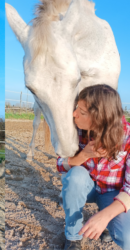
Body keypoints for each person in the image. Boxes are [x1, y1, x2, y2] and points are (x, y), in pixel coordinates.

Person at [57, 85, 130, 250]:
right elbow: (59, 165)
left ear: (100, 118)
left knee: (127, 236)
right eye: (77, 108)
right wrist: (83, 155)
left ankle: (109, 225)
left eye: (82, 112)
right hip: (86, 187)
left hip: (112, 193)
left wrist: (105, 216)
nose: (74, 114)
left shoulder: (128, 138)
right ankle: (73, 236)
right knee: (75, 177)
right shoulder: (77, 131)